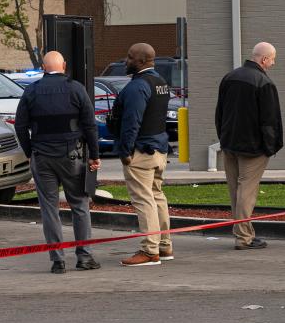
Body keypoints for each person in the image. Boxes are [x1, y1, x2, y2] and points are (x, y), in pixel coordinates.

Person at [14, 50, 100, 273]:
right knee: (80, 206)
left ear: (43, 67)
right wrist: (95, 155)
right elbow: (90, 125)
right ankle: (84, 257)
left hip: (42, 157)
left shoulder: (31, 91)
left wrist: (28, 151)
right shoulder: (76, 89)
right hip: (72, 156)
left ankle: (58, 260)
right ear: (64, 65)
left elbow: (20, 126)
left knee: (49, 208)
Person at [214, 42, 284, 251]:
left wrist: (223, 137)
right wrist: (270, 146)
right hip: (253, 147)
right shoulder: (264, 82)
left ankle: (242, 232)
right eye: (272, 58)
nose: (273, 62)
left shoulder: (230, 77)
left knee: (235, 189)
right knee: (246, 190)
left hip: (229, 143)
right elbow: (270, 120)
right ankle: (244, 236)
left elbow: (220, 113)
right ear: (263, 59)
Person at [110, 43, 173, 267]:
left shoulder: (138, 86)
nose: (126, 61)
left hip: (141, 151)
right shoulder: (160, 82)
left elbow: (131, 122)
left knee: (143, 200)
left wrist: (125, 151)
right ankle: (164, 245)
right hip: (158, 149)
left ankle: (149, 250)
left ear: (142, 61)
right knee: (157, 197)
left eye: (130, 57)